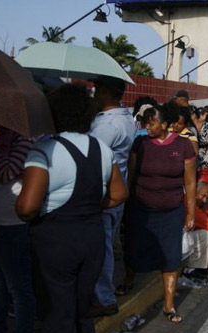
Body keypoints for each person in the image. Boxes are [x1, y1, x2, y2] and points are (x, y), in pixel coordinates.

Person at [16, 84, 127, 333]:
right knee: (82, 312)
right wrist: (89, 207)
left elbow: (27, 208)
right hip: (92, 238)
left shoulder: (44, 150)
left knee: (58, 317)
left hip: (55, 243)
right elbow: (119, 194)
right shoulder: (100, 147)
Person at [124, 103, 196, 324]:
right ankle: (127, 280)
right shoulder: (141, 143)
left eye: (152, 122)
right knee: (133, 248)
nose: (147, 127)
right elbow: (131, 175)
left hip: (171, 210)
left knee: (170, 257)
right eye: (146, 123)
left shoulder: (184, 145)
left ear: (165, 124)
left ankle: (169, 306)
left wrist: (190, 213)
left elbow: (190, 183)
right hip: (141, 209)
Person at [0, 127, 36, 333]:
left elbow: (5, 173)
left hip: (14, 224)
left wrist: (0, 149)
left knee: (19, 289)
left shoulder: (26, 141)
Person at [88, 76, 136, 318]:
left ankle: (104, 298)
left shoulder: (107, 126)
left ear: (106, 92)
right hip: (116, 191)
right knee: (105, 247)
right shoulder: (125, 118)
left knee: (101, 250)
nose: (94, 92)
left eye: (96, 88)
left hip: (104, 195)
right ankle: (103, 296)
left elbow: (91, 159)